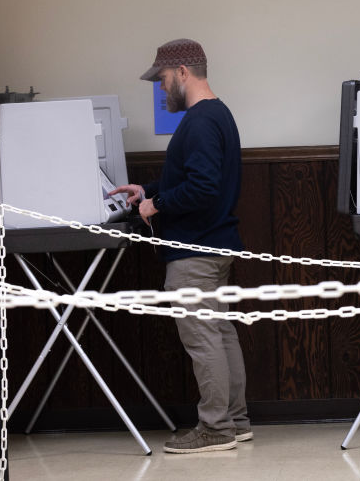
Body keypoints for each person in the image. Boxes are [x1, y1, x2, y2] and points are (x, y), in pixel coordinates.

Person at [110, 38, 251, 454]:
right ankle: (236, 421)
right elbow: (198, 178)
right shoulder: (217, 115)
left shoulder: (200, 121)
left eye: (163, 79)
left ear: (184, 73)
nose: (160, 87)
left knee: (203, 339)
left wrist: (159, 203)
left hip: (195, 251)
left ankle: (216, 428)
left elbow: (203, 187)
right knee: (220, 333)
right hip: (214, 245)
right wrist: (148, 191)